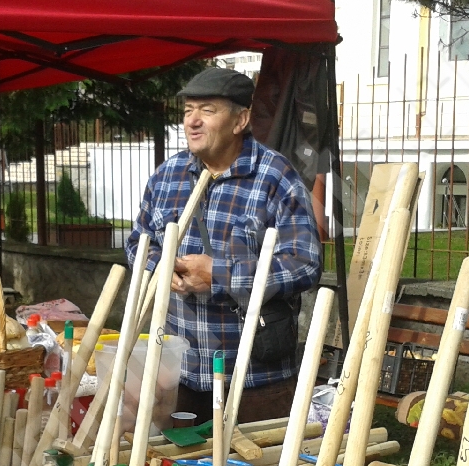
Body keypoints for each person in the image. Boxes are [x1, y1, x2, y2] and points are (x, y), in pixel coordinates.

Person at [126, 67, 322, 424]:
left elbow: (304, 264)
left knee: (259, 461)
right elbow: (138, 242)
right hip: (181, 373)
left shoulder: (275, 177)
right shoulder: (167, 176)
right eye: (188, 110)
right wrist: (160, 266)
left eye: (207, 110)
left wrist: (218, 274)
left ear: (240, 120)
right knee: (178, 459)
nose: (192, 121)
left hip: (253, 378)